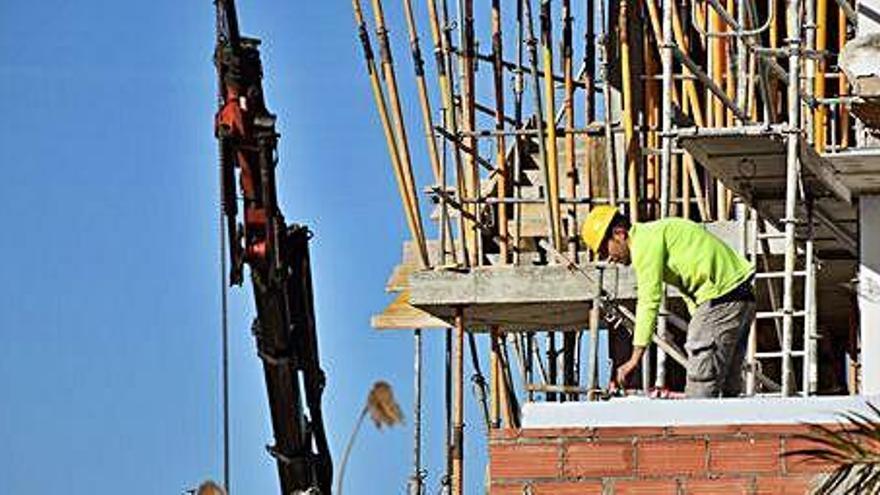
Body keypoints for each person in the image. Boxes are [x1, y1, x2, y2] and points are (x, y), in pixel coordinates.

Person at [580, 205, 756, 397]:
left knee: (701, 386)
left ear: (619, 233)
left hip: (721, 297)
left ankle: (701, 427)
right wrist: (697, 318)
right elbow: (690, 280)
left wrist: (634, 359)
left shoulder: (644, 244)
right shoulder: (657, 233)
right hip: (740, 296)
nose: (609, 259)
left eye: (605, 250)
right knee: (727, 385)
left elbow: (649, 300)